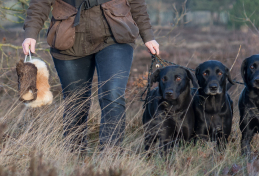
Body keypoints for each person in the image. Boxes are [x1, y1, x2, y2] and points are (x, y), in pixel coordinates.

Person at [22, 0, 159, 151]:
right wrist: (30, 33)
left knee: (112, 94)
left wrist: (148, 35)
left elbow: (136, 2)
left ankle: (110, 155)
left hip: (114, 33)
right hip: (68, 35)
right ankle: (74, 153)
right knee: (75, 99)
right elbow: (40, 3)